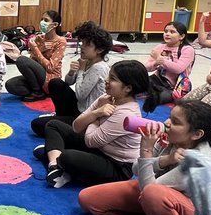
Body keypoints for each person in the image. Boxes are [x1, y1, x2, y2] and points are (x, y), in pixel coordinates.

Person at [79, 99, 211, 215]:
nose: (167, 123)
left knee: (152, 194)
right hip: (156, 192)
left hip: (191, 211)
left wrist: (146, 152)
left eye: (176, 122)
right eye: (170, 117)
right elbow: (136, 170)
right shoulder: (171, 139)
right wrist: (164, 160)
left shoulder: (198, 161)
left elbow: (148, 190)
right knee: (87, 199)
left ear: (196, 134)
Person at [38, 59, 156, 189]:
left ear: (128, 88)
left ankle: (59, 158)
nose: (106, 80)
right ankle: (55, 165)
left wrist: (96, 116)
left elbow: (90, 141)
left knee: (67, 156)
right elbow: (76, 126)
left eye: (112, 78)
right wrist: (96, 112)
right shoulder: (107, 98)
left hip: (116, 165)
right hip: (99, 148)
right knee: (53, 125)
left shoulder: (126, 113)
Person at [30, 20, 113, 137]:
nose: (82, 47)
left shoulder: (98, 67)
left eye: (87, 45)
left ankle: (64, 124)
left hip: (87, 115)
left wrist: (80, 71)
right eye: (82, 43)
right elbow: (68, 82)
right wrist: (72, 72)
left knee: (37, 124)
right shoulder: (87, 61)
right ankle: (60, 117)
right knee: (55, 83)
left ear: (99, 50)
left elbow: (80, 94)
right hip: (80, 106)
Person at [4, 10, 66, 101]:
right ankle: (38, 89)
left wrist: (35, 49)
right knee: (10, 85)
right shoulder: (39, 38)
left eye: (46, 20)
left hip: (51, 78)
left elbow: (50, 67)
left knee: (21, 60)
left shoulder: (61, 41)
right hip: (38, 77)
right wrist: (37, 50)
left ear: (55, 25)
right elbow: (31, 61)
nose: (42, 22)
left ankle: (37, 92)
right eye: (42, 19)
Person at [145, 20, 196, 106]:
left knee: (157, 98)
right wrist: (155, 63)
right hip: (157, 79)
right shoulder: (160, 47)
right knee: (135, 84)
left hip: (174, 86)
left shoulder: (187, 49)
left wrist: (160, 59)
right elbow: (146, 67)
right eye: (165, 31)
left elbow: (178, 69)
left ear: (182, 36)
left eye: (172, 32)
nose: (167, 34)